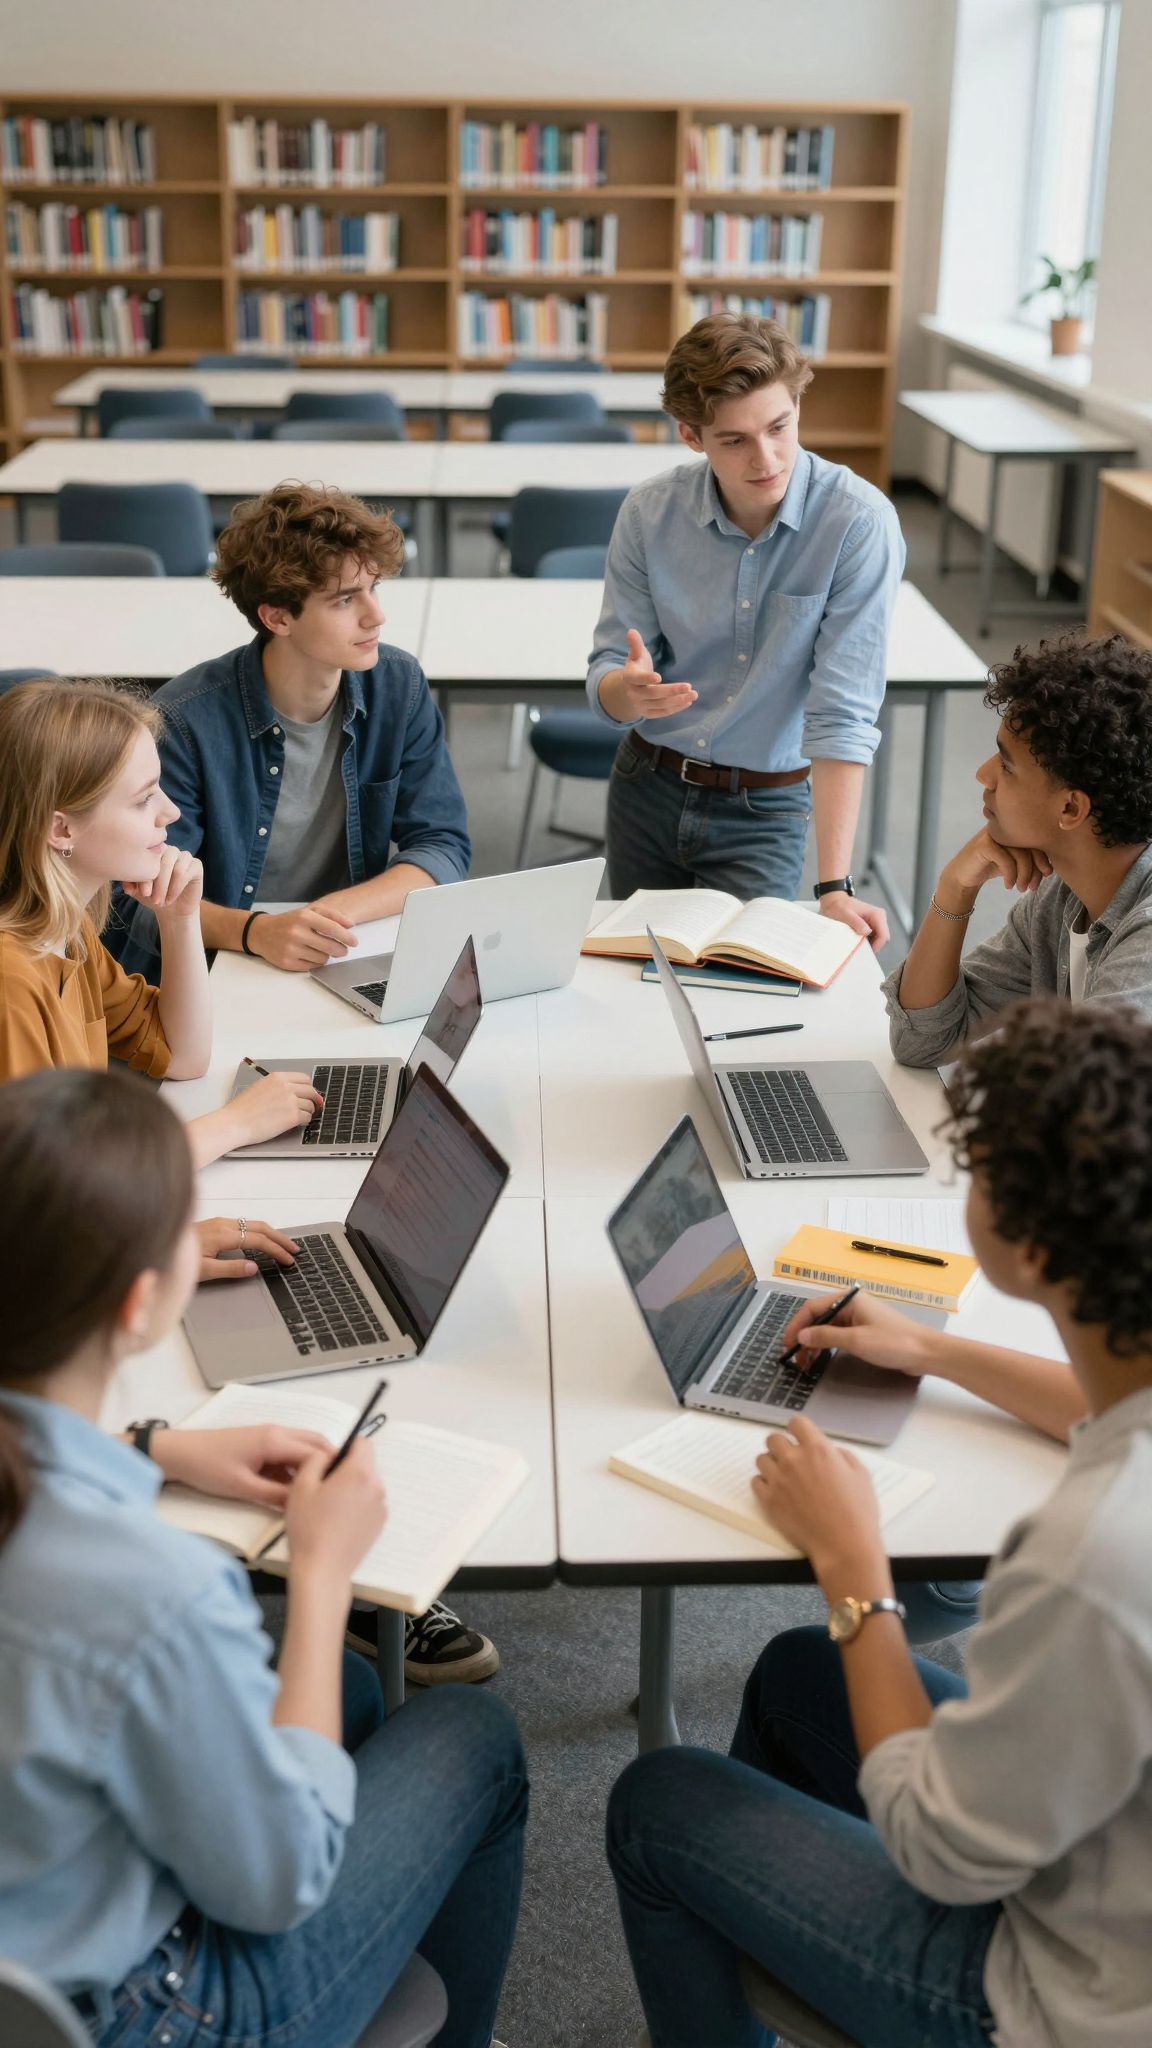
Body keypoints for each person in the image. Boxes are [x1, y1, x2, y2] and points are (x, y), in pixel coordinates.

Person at [608, 998, 1152, 2047]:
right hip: (1111, 1863)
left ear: (1030, 1244)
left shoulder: (1090, 1550)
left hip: (1056, 2001)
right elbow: (1105, 1403)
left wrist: (856, 1570)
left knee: (656, 1797)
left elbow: (941, 1849)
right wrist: (934, 1352)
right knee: (793, 1675)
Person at [0, 1065, 525, 2048]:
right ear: (141, 1303)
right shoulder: (159, 1589)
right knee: (471, 1737)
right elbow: (281, 1879)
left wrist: (153, 1447)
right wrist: (324, 1578)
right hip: (142, 2010)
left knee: (358, 1703)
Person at [585, 313, 905, 945]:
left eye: (779, 428)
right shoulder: (650, 513)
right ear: (691, 435)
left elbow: (842, 714)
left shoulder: (858, 524)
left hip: (767, 807)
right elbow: (605, 676)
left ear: (796, 408)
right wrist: (628, 690)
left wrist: (834, 887)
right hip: (646, 787)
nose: (767, 459)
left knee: (735, 1003)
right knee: (635, 981)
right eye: (734, 441)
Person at [0, 676, 319, 1286]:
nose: (170, 813)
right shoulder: (12, 981)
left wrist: (180, 920)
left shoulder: (63, 934)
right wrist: (233, 1126)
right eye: (144, 798)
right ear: (60, 830)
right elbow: (37, 1213)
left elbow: (181, 1055)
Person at [108, 481, 470, 982]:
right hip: (212, 968)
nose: (376, 615)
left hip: (338, 946)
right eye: (346, 600)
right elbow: (137, 901)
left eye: (374, 588)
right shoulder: (185, 720)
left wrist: (322, 919)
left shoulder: (397, 685)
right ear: (277, 617)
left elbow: (442, 845)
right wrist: (259, 931)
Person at [886, 631, 1152, 1067]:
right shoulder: (1062, 897)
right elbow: (924, 1043)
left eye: (1006, 767)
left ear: (1070, 807)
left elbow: (1086, 1109)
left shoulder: (1145, 940)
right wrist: (954, 888)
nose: (983, 775)